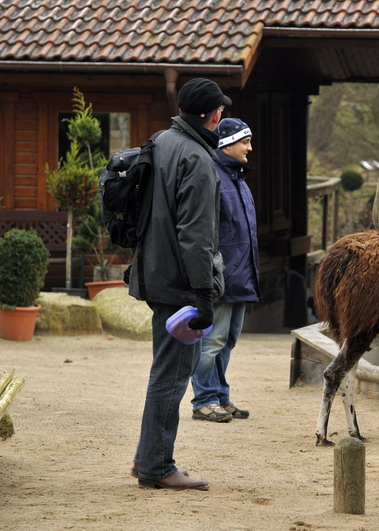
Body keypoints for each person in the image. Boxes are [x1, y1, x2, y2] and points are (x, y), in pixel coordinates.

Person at [129, 78, 231, 491]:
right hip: (180, 283)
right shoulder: (197, 158)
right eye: (220, 109)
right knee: (171, 375)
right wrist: (204, 294)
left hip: (154, 271)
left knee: (164, 370)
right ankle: (157, 466)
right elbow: (196, 234)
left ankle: (148, 459)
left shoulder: (161, 141)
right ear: (213, 115)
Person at [191, 118, 261, 422]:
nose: (249, 148)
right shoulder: (213, 177)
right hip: (221, 278)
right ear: (227, 144)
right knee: (211, 342)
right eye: (245, 142)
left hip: (240, 277)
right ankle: (204, 400)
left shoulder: (239, 178)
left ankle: (220, 395)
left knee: (228, 340)